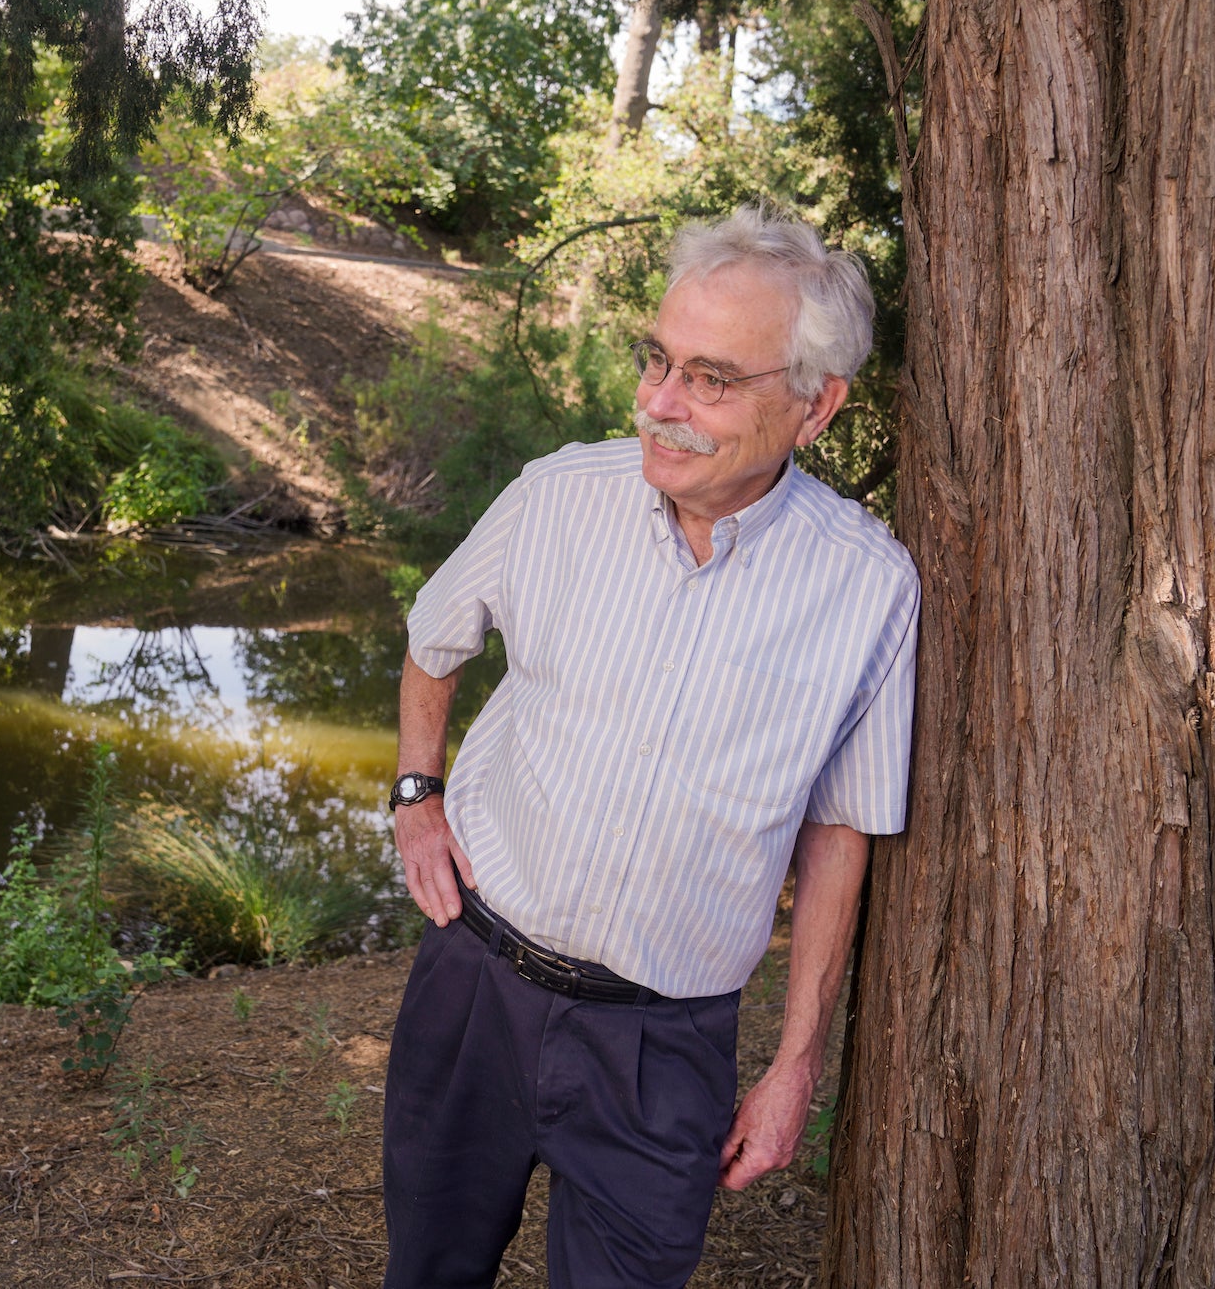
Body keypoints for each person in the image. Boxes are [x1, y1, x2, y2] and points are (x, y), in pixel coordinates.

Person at [381, 202, 919, 1289]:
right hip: (473, 987)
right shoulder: (556, 496)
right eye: (656, 360)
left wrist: (792, 1065)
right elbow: (432, 643)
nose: (658, 406)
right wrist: (414, 797)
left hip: (661, 1049)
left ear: (814, 406)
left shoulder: (868, 589)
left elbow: (840, 833)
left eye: (710, 379)